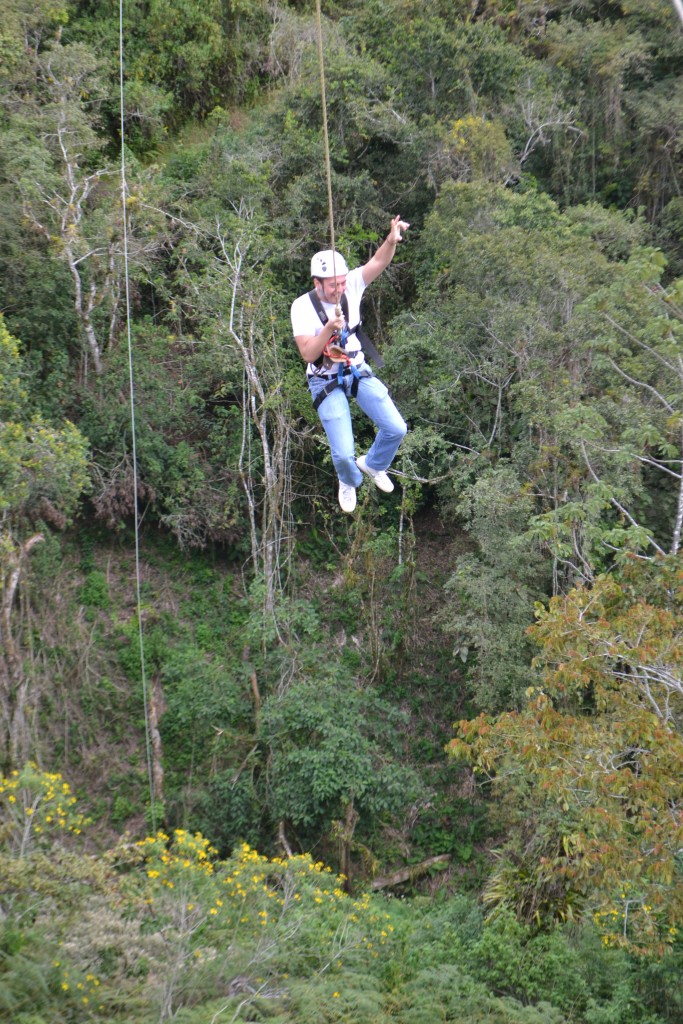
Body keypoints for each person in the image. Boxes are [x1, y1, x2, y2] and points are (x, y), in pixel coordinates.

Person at [290, 215, 409, 513]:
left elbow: (378, 263)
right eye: (332, 286)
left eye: (342, 283)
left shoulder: (351, 286)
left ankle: (372, 464)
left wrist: (391, 240)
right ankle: (349, 480)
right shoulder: (302, 307)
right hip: (324, 378)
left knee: (396, 428)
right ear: (317, 283)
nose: (339, 289)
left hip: (355, 369)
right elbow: (307, 353)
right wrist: (329, 328)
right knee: (343, 456)